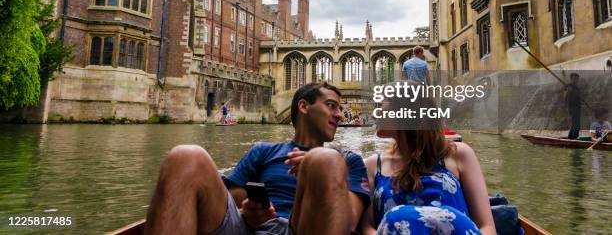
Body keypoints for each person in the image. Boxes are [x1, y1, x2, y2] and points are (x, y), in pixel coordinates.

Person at [144, 82, 370, 235]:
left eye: (340, 109)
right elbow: (230, 202)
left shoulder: (347, 160)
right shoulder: (263, 150)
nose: (340, 115)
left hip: (299, 229)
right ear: (303, 106)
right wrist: (248, 211)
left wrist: (317, 173)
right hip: (247, 229)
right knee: (185, 155)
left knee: (325, 160)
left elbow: (349, 222)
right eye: (331, 106)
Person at [360, 94, 496, 234]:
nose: (376, 113)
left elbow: (487, 227)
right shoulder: (371, 166)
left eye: (381, 104)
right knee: (396, 217)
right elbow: (367, 228)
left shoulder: (458, 154)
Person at [565, 73, 581, 140]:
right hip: (572, 107)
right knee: (575, 124)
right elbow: (565, 97)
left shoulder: (577, 87)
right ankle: (574, 138)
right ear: (571, 78)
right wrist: (568, 91)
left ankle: (570, 138)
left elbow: (579, 96)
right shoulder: (568, 86)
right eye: (574, 78)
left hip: (578, 107)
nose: (576, 80)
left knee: (576, 124)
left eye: (577, 79)